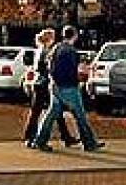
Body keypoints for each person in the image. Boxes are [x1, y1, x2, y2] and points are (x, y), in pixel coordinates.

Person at [31, 25, 105, 153]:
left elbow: (50, 66)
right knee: (80, 115)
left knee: (51, 114)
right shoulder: (70, 51)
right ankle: (89, 142)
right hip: (68, 86)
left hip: (54, 85)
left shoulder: (56, 48)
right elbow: (71, 70)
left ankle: (40, 140)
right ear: (75, 36)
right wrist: (78, 80)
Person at [23, 28, 80, 148]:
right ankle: (31, 137)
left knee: (54, 110)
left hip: (41, 84)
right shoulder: (45, 51)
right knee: (42, 111)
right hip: (43, 84)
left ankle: (65, 136)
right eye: (53, 36)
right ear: (49, 38)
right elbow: (42, 68)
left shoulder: (41, 50)